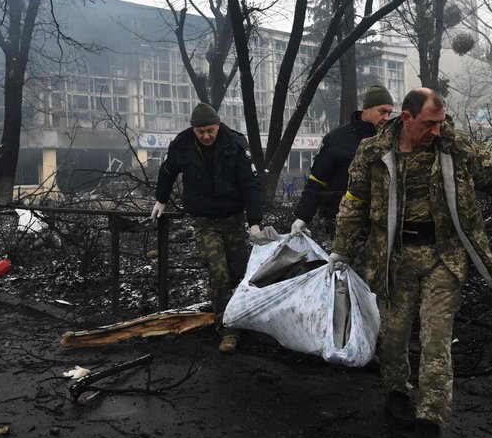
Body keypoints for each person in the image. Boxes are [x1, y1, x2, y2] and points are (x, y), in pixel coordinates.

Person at [327, 88, 492, 438]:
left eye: (440, 122)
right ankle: (397, 394)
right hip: (394, 258)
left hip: (443, 256)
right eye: (429, 123)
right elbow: (354, 200)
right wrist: (341, 248)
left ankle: (430, 419)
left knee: (437, 338)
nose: (437, 129)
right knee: (394, 334)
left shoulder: (453, 146)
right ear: (406, 118)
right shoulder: (373, 153)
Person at [150, 102, 263, 354]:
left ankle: (246, 315)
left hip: (233, 218)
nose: (206, 136)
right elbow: (167, 171)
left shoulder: (235, 145)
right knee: (218, 271)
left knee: (241, 271)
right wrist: (161, 199)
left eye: (210, 130)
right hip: (203, 219)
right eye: (200, 131)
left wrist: (254, 222)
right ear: (193, 130)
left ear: (218, 126)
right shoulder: (182, 144)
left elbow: (250, 184)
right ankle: (228, 330)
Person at [290, 84, 395, 237]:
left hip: (381, 224)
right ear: (366, 109)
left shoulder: (391, 141)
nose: (387, 117)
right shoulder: (337, 140)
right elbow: (317, 180)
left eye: (390, 113)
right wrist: (302, 217)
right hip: (342, 222)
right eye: (382, 111)